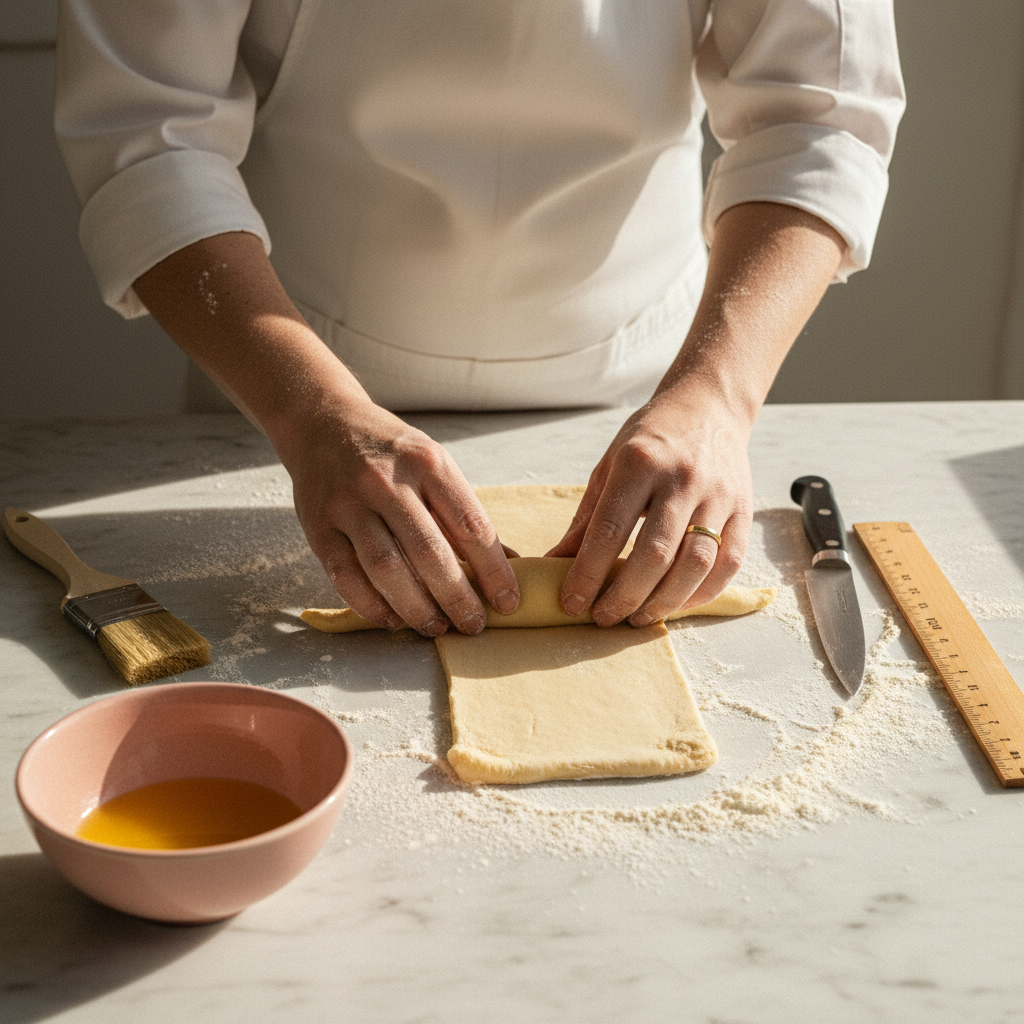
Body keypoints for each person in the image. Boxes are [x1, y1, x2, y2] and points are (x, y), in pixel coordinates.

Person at [55, 0, 904, 637]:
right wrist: (309, 412)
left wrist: (716, 399)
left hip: (642, 406)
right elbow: (148, 130)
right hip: (279, 387)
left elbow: (817, 116)